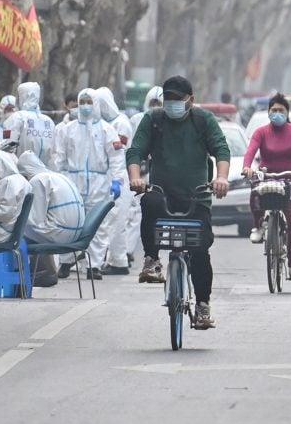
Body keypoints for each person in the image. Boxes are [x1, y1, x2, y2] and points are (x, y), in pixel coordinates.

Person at [127, 75, 231, 330]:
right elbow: (136, 151)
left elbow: (221, 149)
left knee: (200, 251)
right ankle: (152, 260)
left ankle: (203, 305)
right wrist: (136, 177)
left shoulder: (203, 120)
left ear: (191, 100)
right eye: (168, 99)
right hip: (162, 191)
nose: (172, 104)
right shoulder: (153, 119)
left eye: (177, 99)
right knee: (149, 202)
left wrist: (221, 178)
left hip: (197, 194)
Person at [54, 89, 125, 280]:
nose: (85, 106)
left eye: (88, 102)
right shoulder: (68, 129)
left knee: (97, 225)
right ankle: (65, 261)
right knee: (69, 222)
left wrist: (117, 181)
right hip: (72, 181)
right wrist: (58, 180)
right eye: (82, 101)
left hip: (99, 183)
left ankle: (94, 265)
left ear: (96, 104)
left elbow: (117, 158)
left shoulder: (107, 130)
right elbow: (59, 158)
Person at [242, 93, 291, 280]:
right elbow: (250, 151)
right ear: (268, 112)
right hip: (267, 176)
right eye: (274, 110)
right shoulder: (261, 132)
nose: (277, 113)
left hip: (290, 179)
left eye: (281, 110)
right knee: (255, 189)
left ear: (287, 112)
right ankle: (258, 226)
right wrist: (247, 167)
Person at [94, 88, 133, 275]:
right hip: (105, 177)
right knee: (107, 221)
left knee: (117, 221)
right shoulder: (100, 124)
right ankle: (116, 260)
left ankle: (118, 261)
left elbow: (119, 154)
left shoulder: (121, 124)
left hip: (119, 177)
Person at [126, 86, 163, 257]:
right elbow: (133, 147)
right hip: (137, 172)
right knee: (132, 211)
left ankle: (131, 250)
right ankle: (128, 251)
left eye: (159, 103)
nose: (155, 106)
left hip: (156, 171)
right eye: (153, 103)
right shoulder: (137, 119)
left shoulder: (166, 121)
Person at [18, 151, 86, 245]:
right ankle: (43, 260)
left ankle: (23, 260)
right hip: (76, 233)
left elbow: (34, 220)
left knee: (15, 232)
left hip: (60, 234)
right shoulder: (58, 176)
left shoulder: (37, 180)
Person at [5, 82, 56, 167]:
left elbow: (7, 145)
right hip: (45, 172)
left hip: (21, 173)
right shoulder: (49, 121)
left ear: (22, 97)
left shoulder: (16, 117)